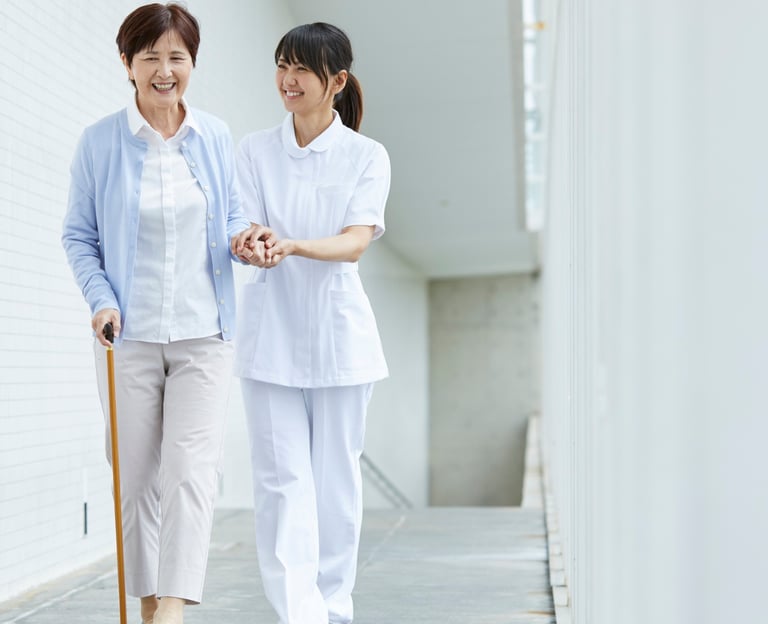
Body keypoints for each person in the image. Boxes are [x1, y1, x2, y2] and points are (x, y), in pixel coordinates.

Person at [61, 4, 261, 623]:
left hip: (206, 334)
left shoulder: (215, 137)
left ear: (192, 64)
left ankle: (171, 611)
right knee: (136, 480)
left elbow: (228, 215)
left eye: (177, 57)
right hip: (130, 337)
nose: (164, 70)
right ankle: (148, 608)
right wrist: (101, 301)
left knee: (191, 474)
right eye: (150, 57)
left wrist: (241, 239)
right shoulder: (100, 142)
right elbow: (79, 235)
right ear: (127, 64)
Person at [231, 22, 391, 624]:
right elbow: (240, 223)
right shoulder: (253, 149)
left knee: (333, 487)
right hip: (269, 338)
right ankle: (298, 613)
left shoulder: (365, 156)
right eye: (281, 66)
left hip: (338, 340)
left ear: (337, 81)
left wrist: (293, 245)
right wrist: (252, 242)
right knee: (279, 485)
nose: (288, 80)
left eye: (301, 69)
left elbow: (354, 242)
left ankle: (333, 608)